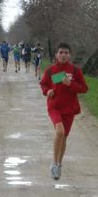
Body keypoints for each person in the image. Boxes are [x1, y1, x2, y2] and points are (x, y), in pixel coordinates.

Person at [40, 42, 88, 180]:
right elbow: (43, 84)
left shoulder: (75, 70)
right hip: (54, 106)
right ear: (56, 55)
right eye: (60, 52)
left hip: (69, 108)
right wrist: (47, 91)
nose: (63, 55)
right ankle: (54, 163)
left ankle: (59, 165)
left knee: (64, 137)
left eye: (66, 52)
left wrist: (71, 84)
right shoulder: (50, 70)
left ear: (70, 55)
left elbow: (84, 88)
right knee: (59, 131)